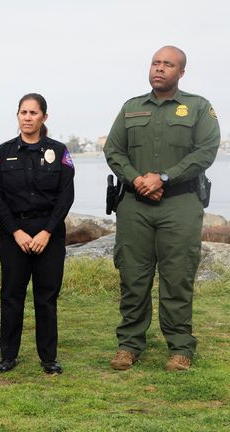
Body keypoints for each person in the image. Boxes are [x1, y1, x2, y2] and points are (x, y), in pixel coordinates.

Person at [104, 46, 220, 372]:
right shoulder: (131, 108)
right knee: (133, 276)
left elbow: (206, 151)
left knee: (177, 276)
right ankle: (129, 345)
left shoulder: (198, 108)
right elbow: (113, 150)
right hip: (134, 205)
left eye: (168, 65)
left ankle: (180, 347)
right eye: (155, 63)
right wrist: (137, 179)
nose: (159, 69)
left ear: (181, 72)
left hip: (180, 204)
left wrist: (164, 178)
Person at [0, 93, 75, 375]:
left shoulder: (59, 152)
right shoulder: (2, 152)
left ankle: (48, 357)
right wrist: (16, 232)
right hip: (15, 234)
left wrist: (48, 231)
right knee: (11, 296)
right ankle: (8, 356)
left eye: (33, 113)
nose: (28, 117)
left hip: (49, 234)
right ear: (18, 116)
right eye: (23, 112)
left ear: (44, 117)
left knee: (46, 297)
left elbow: (65, 196)